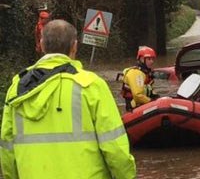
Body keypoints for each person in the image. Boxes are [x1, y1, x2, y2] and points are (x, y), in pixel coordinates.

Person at [0, 19, 136, 179]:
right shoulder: (91, 85)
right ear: (74, 46)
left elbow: (7, 151)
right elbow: (116, 149)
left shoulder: (17, 89)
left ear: (42, 45)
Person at [121, 46, 159, 111]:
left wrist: (157, 98)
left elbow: (148, 90)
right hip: (134, 109)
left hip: (143, 106)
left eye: (152, 59)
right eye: (149, 59)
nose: (152, 61)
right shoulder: (136, 73)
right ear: (141, 59)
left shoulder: (145, 74)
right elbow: (137, 95)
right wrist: (152, 102)